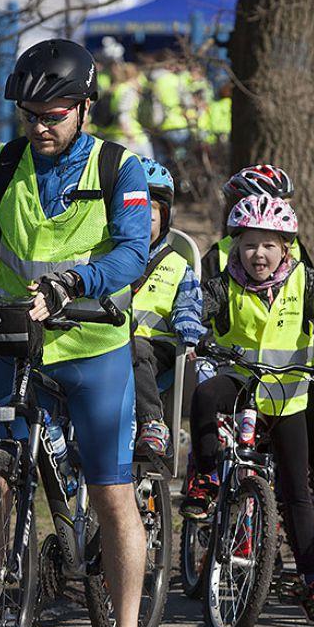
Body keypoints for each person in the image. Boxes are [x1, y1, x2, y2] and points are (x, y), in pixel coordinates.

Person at [0, 38, 155, 627]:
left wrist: (76, 283)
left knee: (111, 490)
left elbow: (131, 253)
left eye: (54, 115)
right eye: (30, 115)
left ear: (84, 108)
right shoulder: (2, 164)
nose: (39, 127)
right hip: (17, 344)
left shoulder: (122, 168)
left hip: (94, 348)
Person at [196, 165, 314, 591]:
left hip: (297, 379)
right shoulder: (220, 256)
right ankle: (221, 538)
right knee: (225, 442)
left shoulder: (291, 252)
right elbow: (200, 310)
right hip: (241, 376)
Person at [133, 157, 204, 456]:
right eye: (129, 215)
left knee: (132, 347)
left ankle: (153, 422)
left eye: (147, 217)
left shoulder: (177, 265)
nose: (138, 224)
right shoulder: (103, 259)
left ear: (164, 219)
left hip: (154, 349)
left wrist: (188, 334)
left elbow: (189, 304)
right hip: (104, 346)